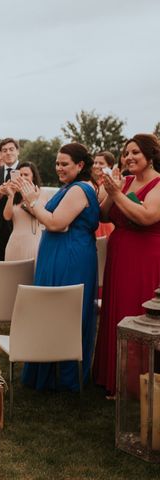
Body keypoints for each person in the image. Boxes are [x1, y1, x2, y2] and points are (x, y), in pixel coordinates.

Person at [17, 143, 99, 391]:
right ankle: (48, 371)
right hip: (61, 253)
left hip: (70, 257)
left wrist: (32, 202)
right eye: (57, 163)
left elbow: (56, 223)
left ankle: (63, 377)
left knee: (62, 311)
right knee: (51, 310)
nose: (59, 168)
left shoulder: (79, 189)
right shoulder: (70, 188)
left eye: (65, 164)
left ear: (80, 165)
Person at [93, 134, 160, 397]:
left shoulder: (158, 185)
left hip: (145, 256)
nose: (129, 157)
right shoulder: (127, 181)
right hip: (119, 253)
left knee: (136, 310)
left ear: (150, 156)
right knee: (117, 309)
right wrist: (112, 192)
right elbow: (104, 214)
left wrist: (116, 193)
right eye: (126, 153)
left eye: (135, 153)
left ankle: (137, 382)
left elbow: (147, 217)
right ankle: (113, 376)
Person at [3, 162, 43, 261]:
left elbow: (37, 215)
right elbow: (7, 216)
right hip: (14, 242)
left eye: (26, 175)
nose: (22, 177)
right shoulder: (15, 195)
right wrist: (11, 196)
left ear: (33, 177)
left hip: (33, 243)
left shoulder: (39, 193)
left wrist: (25, 193)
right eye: (20, 175)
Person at [93, 151, 117, 238]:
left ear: (110, 166)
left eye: (101, 163)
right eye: (95, 163)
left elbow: (96, 199)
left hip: (103, 224)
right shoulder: (98, 181)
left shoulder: (108, 181)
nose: (96, 166)